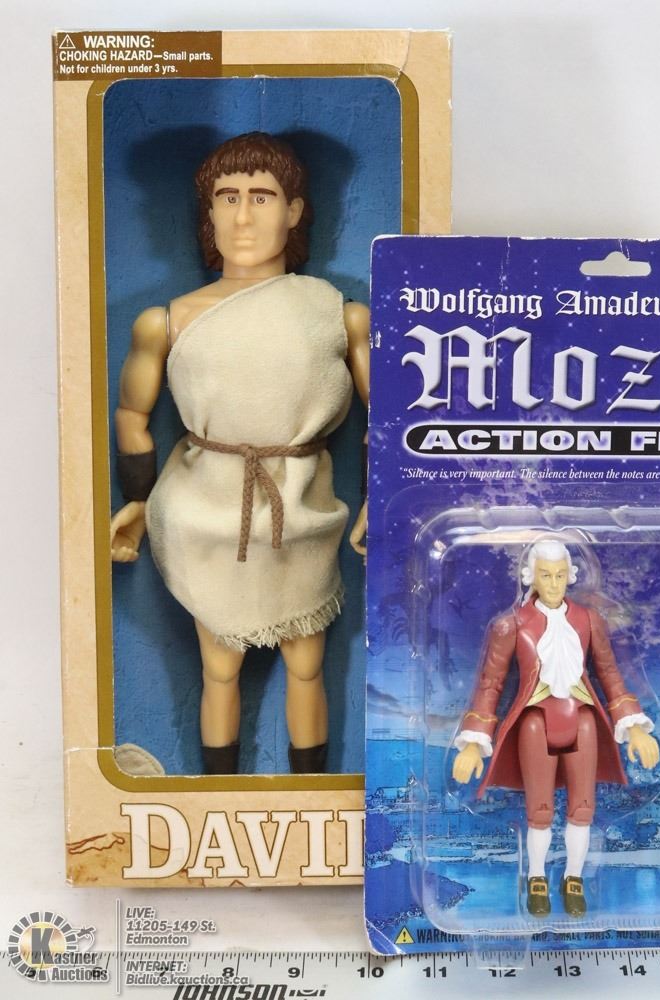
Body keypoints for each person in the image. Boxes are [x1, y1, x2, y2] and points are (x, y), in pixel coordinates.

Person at [110, 132, 369, 776]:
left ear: (294, 210)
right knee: (219, 666)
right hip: (204, 513)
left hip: (302, 511)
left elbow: (392, 421)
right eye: (227, 198)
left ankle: (308, 792)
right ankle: (218, 792)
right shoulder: (167, 320)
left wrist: (384, 498)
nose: (244, 217)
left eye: (262, 196)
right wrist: (137, 500)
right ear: (209, 213)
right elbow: (132, 416)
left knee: (307, 664)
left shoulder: (337, 315)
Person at [452, 538, 660, 916]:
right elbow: (490, 684)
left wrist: (633, 726)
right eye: (546, 575)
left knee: (583, 807)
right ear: (531, 576)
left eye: (560, 575)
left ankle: (573, 877)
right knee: (540, 809)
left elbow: (610, 674)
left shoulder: (588, 620)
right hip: (535, 721)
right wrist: (473, 742)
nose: (553, 583)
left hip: (582, 719)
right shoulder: (511, 625)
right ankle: (536, 877)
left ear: (570, 575)